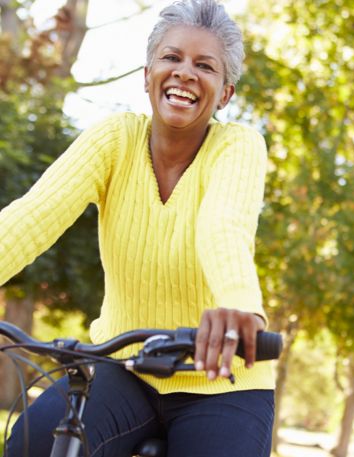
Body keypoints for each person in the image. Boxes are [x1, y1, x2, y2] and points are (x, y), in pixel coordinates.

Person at [0, 1, 274, 455]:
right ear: (147, 76)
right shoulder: (114, 140)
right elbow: (31, 218)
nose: (185, 73)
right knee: (32, 441)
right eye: (172, 58)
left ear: (225, 93)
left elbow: (222, 227)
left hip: (223, 381)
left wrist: (240, 310)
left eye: (204, 65)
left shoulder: (238, 146)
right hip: (124, 367)